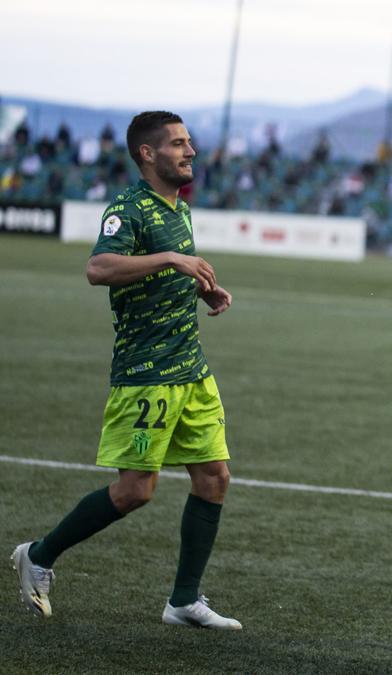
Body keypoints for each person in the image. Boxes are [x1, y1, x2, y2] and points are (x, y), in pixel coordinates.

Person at [10, 111, 240, 630]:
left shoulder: (176, 207)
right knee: (136, 490)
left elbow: (167, 269)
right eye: (179, 144)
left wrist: (202, 286)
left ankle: (183, 601)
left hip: (192, 371)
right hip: (146, 375)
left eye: (189, 142)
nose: (191, 152)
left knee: (214, 478)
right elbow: (99, 269)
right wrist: (170, 260)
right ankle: (39, 555)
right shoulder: (128, 209)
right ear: (147, 153)